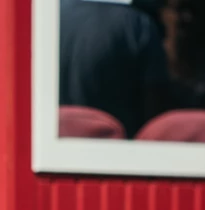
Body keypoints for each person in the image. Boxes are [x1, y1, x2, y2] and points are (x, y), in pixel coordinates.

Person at [59, 0, 173, 137]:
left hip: (55, 146)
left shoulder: (49, 15)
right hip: (118, 150)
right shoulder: (138, 24)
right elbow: (156, 105)